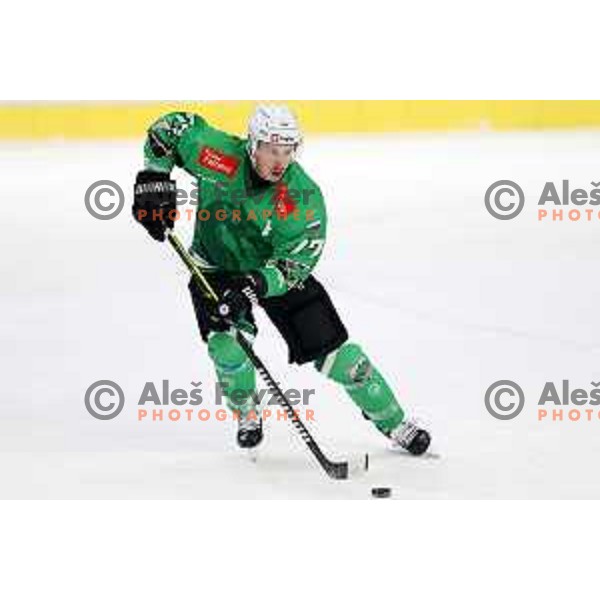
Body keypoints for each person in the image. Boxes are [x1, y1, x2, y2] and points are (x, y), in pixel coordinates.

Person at [132, 104, 431, 455]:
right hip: (215, 266)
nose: (280, 161)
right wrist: (154, 177)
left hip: (271, 273)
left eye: (288, 151)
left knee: (344, 360)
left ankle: (395, 422)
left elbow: (295, 263)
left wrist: (257, 284)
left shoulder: (301, 197)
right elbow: (170, 129)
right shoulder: (218, 155)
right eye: (272, 151)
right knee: (226, 346)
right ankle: (246, 413)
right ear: (253, 145)